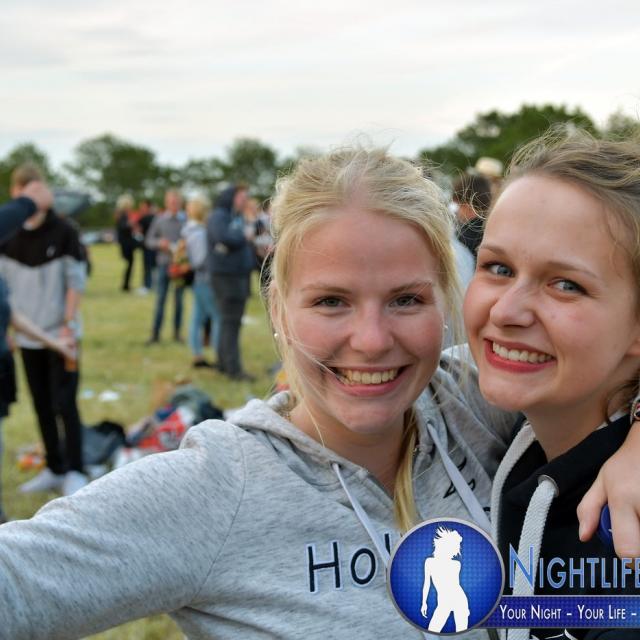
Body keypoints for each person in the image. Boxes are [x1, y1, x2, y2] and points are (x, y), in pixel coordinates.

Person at [0, 148, 637, 640]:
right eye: (331, 301)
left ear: (445, 300)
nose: (371, 340)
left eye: (406, 300)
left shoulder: (477, 399)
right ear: (278, 308)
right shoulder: (217, 488)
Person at [464, 131, 640, 640]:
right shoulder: (484, 414)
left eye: (566, 284)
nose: (506, 311)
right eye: (498, 267)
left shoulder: (625, 535)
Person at [0, 164, 88, 497]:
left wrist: (68, 325)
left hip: (61, 334)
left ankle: (75, 469)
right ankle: (54, 466)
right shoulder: (7, 233)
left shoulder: (64, 231)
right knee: (41, 404)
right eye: (28, 192)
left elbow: (75, 283)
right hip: (27, 335)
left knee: (65, 403)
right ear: (16, 194)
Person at [207, 184, 256, 381]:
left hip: (235, 275)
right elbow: (223, 238)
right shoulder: (220, 216)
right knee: (231, 322)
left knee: (228, 321)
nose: (245, 201)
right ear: (231, 197)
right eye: (242, 197)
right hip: (227, 277)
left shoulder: (233, 216)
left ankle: (223, 363)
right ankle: (233, 369)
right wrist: (243, 235)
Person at [182, 195, 220, 368]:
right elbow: (199, 260)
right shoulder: (199, 233)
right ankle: (219, 354)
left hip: (199, 281)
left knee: (197, 317)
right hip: (205, 280)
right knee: (217, 317)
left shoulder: (189, 230)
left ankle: (197, 353)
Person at [145, 189, 186, 344]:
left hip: (180, 267)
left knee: (179, 300)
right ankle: (155, 334)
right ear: (166, 203)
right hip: (163, 264)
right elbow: (149, 240)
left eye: (176, 202)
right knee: (161, 299)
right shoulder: (159, 219)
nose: (174, 204)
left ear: (180, 203)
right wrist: (159, 243)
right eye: (171, 202)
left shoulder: (186, 219)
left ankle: (177, 333)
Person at [452, 173, 492, 257]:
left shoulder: (465, 237)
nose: (457, 211)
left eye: (459, 206)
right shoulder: (492, 229)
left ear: (468, 207)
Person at [114, 194, 137, 292]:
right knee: (130, 263)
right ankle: (126, 285)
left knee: (130, 264)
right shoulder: (122, 216)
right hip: (126, 244)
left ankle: (126, 284)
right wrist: (130, 224)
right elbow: (123, 227)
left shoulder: (123, 215)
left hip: (127, 243)